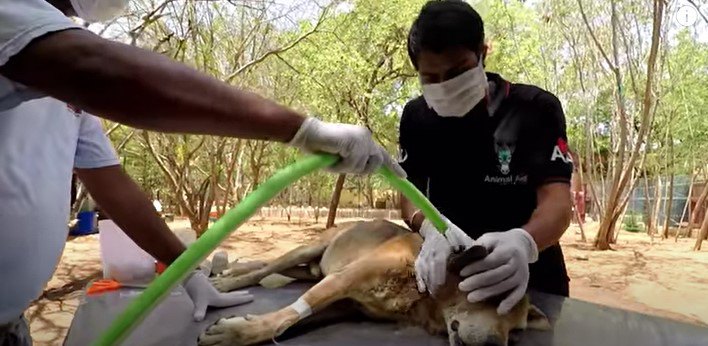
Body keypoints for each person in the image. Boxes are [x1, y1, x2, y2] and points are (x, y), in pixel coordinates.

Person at [0, 0, 404, 344]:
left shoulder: (66, 90)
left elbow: (113, 185)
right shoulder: (16, 17)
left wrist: (186, 272)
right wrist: (302, 130)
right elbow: (101, 70)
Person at [399, 0, 573, 316]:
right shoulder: (416, 117)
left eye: (458, 71)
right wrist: (428, 229)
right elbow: (408, 194)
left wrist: (524, 242)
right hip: (451, 284)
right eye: (430, 78)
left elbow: (558, 204)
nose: (445, 86)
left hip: (532, 283)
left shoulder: (534, 108)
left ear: (483, 53)